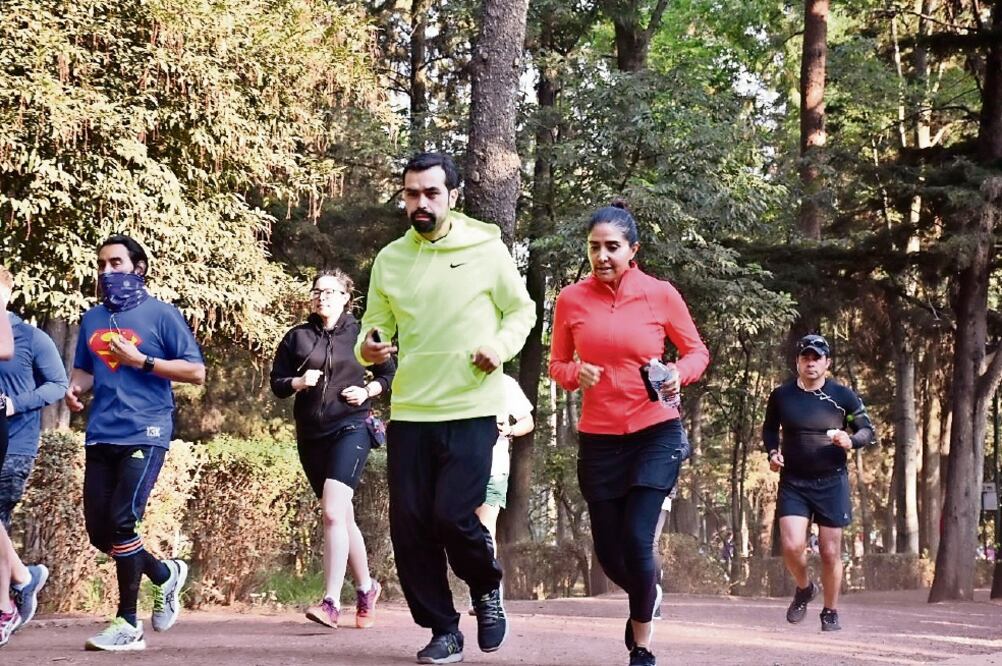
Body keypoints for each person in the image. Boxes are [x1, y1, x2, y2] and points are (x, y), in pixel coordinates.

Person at [356, 152, 536, 664]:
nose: (421, 203)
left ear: (451, 196)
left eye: (431, 193)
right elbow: (373, 328)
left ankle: (486, 585)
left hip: (473, 405)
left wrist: (499, 347)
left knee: (454, 516)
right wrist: (369, 348)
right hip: (412, 410)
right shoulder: (391, 259)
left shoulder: (486, 247)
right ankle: (443, 629)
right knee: (411, 527)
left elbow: (521, 310)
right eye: (412, 194)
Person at [549, 201, 709, 666]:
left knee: (638, 541)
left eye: (612, 247)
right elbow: (557, 363)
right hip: (599, 438)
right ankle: (648, 591)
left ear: (632, 250)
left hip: (655, 431)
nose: (602, 256)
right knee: (610, 554)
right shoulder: (570, 300)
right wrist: (574, 374)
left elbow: (697, 352)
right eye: (594, 247)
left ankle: (642, 646)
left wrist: (679, 373)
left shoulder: (660, 294)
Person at [65, 235, 206, 651]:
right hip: (101, 433)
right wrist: (75, 389)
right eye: (102, 265)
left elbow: (196, 372)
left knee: (123, 522)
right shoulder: (92, 318)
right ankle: (164, 574)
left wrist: (142, 360)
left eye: (116, 263)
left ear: (138, 268)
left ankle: (128, 624)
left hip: (146, 430)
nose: (107, 272)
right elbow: (85, 370)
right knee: (100, 532)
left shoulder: (162, 314)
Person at [271, 269, 395, 629]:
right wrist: (297, 381)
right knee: (341, 516)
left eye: (330, 291)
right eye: (317, 291)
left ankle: (330, 602)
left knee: (331, 513)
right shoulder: (297, 337)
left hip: (351, 427)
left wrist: (367, 391)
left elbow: (390, 374)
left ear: (346, 297)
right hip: (311, 436)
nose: (322, 296)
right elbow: (277, 383)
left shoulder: (364, 333)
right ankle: (367, 587)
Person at [762, 333, 875, 632]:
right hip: (794, 481)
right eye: (805, 357)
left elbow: (867, 430)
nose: (810, 363)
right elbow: (770, 429)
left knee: (829, 551)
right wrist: (772, 452)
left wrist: (850, 440)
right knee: (791, 545)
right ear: (797, 362)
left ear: (827, 363)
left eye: (817, 358)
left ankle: (830, 611)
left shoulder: (843, 396)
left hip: (832, 481)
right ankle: (804, 588)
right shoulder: (781, 395)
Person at [0, 267, 51, 647]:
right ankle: (22, 577)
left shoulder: (31, 337)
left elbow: (58, 384)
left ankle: (5, 608)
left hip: (16, 445)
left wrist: (14, 404)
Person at [476, 373, 534, 546]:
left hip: (494, 468)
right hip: (455, 466)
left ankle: (486, 564)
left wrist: (510, 430)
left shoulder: (505, 383)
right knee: (453, 527)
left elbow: (527, 421)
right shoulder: (454, 376)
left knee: (485, 528)